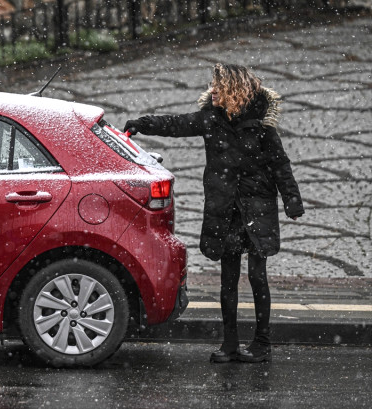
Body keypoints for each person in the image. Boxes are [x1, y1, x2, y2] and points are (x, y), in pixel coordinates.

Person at [124, 63, 304, 363]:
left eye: (219, 85)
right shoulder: (211, 119)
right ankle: (230, 343)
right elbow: (176, 124)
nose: (213, 90)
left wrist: (292, 201)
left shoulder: (261, 125)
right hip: (225, 209)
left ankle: (262, 343)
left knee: (257, 275)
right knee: (228, 277)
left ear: (235, 90)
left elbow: (280, 165)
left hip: (257, 207)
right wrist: (143, 123)